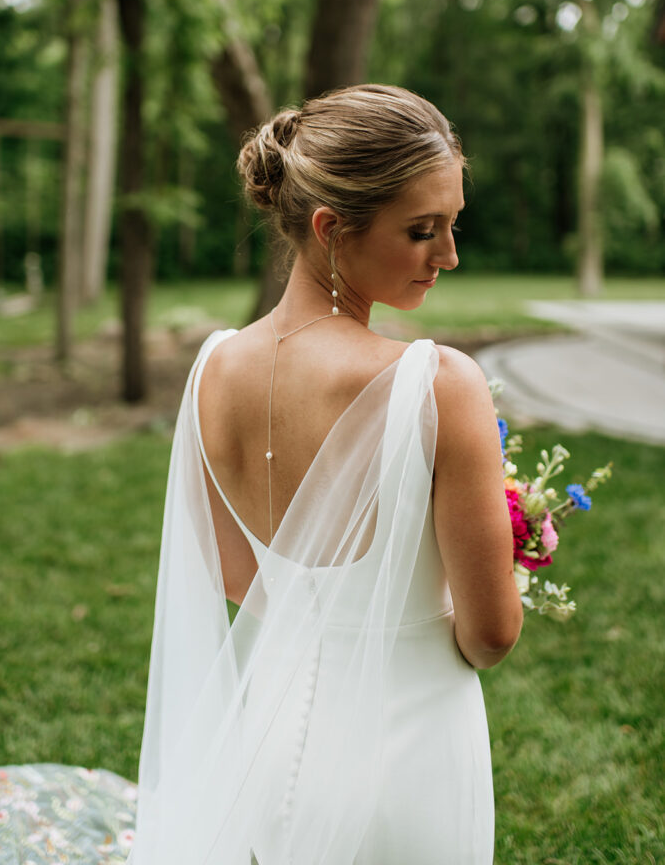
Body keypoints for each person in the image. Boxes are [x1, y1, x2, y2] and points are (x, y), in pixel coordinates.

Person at [129, 84, 522, 865]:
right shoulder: (438, 384)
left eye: (452, 227)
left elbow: (238, 574)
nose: (448, 256)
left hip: (267, 749)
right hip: (408, 759)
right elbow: (489, 635)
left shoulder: (214, 369)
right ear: (331, 228)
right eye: (423, 231)